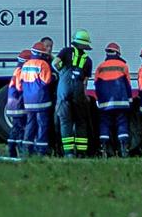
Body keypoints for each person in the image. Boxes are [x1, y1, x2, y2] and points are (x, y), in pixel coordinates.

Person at [55, 29, 94, 158]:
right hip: (78, 93)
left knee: (65, 122)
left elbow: (55, 63)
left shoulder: (65, 51)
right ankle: (82, 153)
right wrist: (84, 96)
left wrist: (61, 72)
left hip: (64, 90)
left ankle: (68, 153)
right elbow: (84, 82)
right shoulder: (88, 60)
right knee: (81, 122)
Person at [94, 42, 134, 157]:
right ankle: (124, 148)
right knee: (122, 124)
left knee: (104, 124)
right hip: (121, 103)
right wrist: (130, 101)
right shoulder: (123, 66)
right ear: (117, 53)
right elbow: (128, 85)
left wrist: (99, 101)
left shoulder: (100, 67)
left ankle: (104, 148)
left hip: (105, 104)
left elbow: (97, 85)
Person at [19, 41, 55, 156]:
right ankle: (41, 151)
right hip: (41, 101)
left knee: (30, 125)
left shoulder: (26, 65)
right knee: (42, 126)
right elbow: (46, 81)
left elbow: (22, 82)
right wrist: (55, 76)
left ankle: (26, 150)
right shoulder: (43, 64)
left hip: (28, 102)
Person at [6, 49, 31, 158]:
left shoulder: (17, 70)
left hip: (12, 104)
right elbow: (20, 87)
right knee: (21, 129)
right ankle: (20, 152)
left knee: (15, 129)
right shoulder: (21, 71)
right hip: (19, 105)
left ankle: (11, 150)